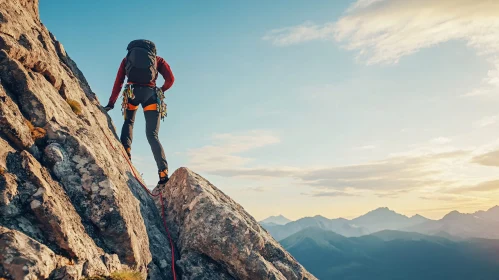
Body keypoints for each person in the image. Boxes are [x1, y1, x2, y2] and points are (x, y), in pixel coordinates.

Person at [104, 39, 174, 186]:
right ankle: (163, 173)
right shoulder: (158, 60)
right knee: (152, 135)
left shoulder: (126, 60)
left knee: (129, 122)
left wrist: (111, 103)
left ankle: (126, 152)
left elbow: (119, 82)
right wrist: (161, 90)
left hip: (132, 93)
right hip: (151, 95)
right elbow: (170, 80)